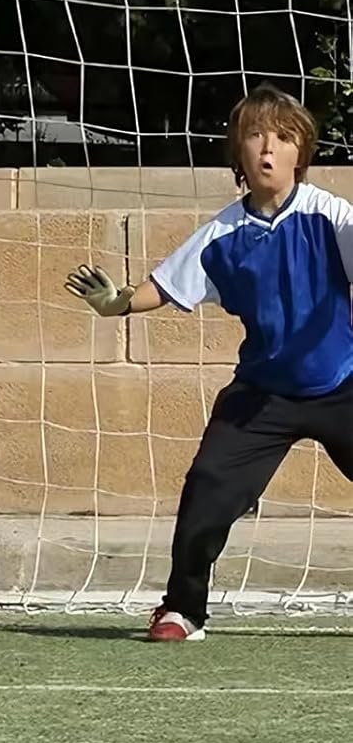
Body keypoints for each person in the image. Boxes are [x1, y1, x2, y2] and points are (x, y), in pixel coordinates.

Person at [66, 84, 353, 641]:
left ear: (301, 151)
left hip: (342, 384)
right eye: (255, 136)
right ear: (238, 152)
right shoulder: (221, 234)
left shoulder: (331, 216)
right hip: (261, 396)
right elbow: (163, 286)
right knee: (206, 490)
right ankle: (182, 611)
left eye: (283, 137)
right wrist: (116, 303)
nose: (268, 148)